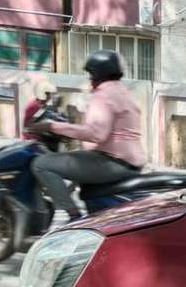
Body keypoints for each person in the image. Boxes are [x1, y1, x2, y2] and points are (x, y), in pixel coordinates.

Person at [27, 50, 146, 221]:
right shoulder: (123, 92)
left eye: (90, 74)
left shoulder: (104, 95)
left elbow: (95, 134)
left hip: (112, 162)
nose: (90, 79)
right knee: (73, 161)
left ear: (98, 73)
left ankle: (73, 216)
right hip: (127, 161)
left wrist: (52, 126)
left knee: (41, 164)